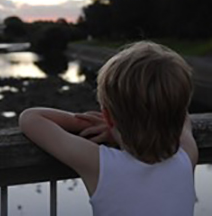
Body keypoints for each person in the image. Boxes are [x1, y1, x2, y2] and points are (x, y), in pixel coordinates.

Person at [19, 41, 198, 216]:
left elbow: (31, 118)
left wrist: (105, 125)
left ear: (108, 117)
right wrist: (120, 126)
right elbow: (182, 117)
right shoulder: (186, 158)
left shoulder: (100, 165)